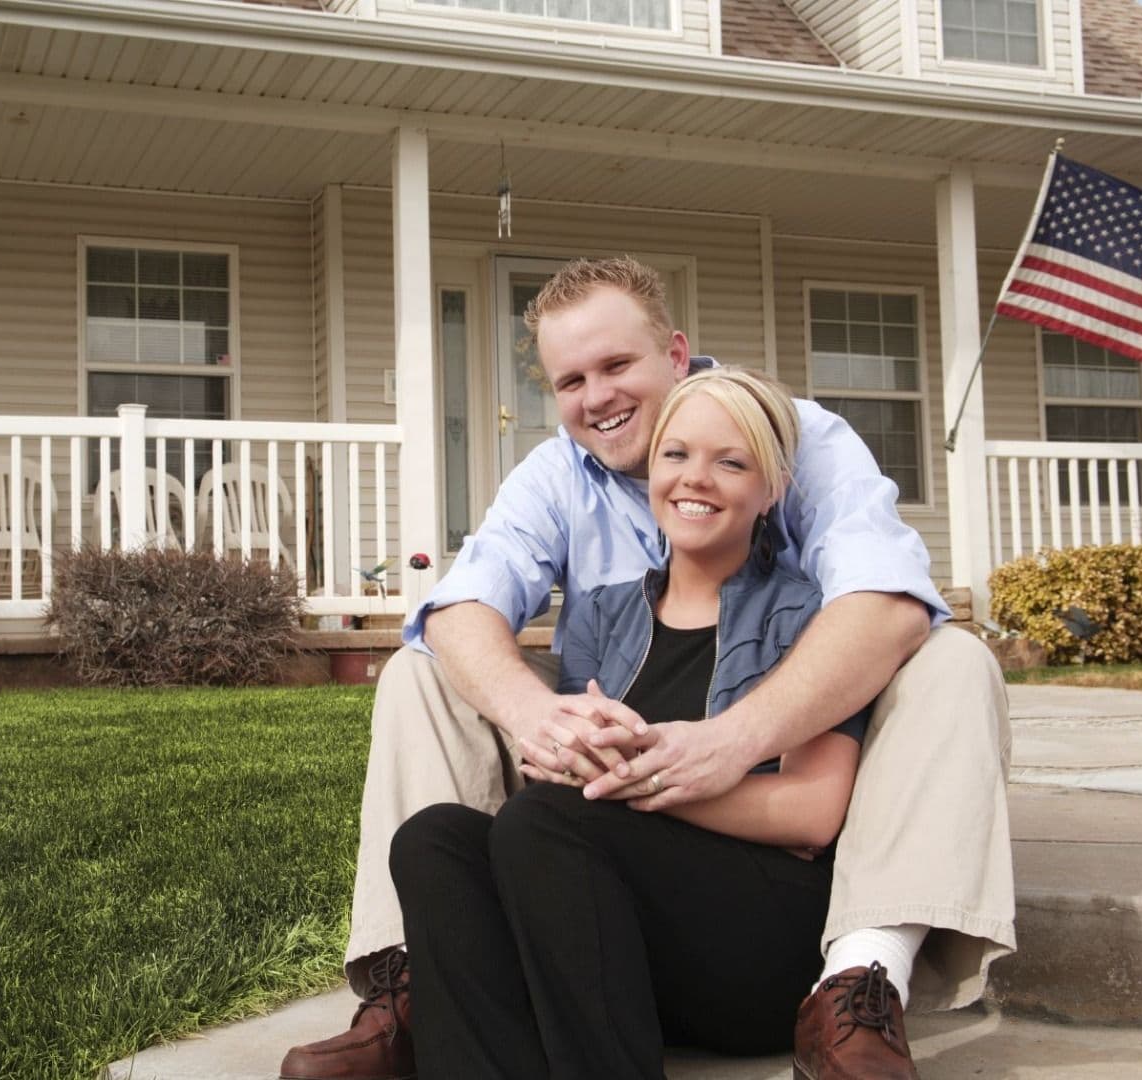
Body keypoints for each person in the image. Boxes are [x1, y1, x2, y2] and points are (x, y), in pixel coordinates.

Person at [279, 257, 1013, 1080]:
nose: (596, 397)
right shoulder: (575, 524)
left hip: (755, 859)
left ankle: (855, 981)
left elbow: (886, 603)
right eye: (570, 380)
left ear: (673, 353)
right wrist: (539, 720)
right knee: (426, 700)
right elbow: (459, 610)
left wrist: (721, 746)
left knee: (950, 657)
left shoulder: (799, 451)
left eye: (616, 365)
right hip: (601, 842)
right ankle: (421, 986)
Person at [390, 367, 872, 1078]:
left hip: (760, 941)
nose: (694, 479)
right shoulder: (601, 611)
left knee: (543, 820)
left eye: (730, 462)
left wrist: (638, 783)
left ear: (769, 491)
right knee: (434, 838)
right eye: (675, 456)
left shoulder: (808, 617)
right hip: (628, 945)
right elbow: (571, 806)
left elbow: (810, 813)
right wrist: (565, 760)